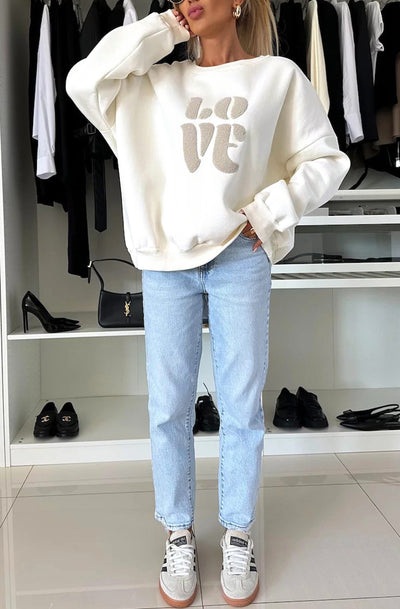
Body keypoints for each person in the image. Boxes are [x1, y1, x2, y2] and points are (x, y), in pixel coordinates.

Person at [66, 0, 350, 606]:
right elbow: (83, 80)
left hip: (240, 256)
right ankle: (178, 532)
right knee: (168, 405)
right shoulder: (153, 83)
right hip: (165, 262)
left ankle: (238, 532)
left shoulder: (276, 77)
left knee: (241, 403)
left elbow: (327, 159)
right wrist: (164, 28)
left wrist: (272, 210)